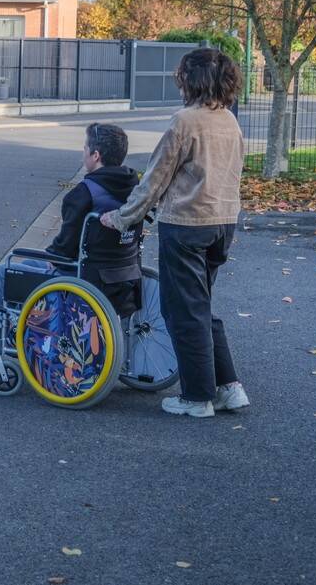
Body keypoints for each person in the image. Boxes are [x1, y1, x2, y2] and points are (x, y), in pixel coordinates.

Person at [101, 47, 247, 418]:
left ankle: (197, 398)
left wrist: (122, 217)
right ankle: (229, 387)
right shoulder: (229, 120)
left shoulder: (184, 121)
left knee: (182, 311)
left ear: (190, 80)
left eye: (180, 76)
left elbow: (155, 178)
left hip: (186, 225)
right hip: (223, 222)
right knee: (200, 305)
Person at [0, 123, 142, 366]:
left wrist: (53, 256)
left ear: (96, 155)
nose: (83, 152)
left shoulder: (84, 193)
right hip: (122, 277)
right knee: (30, 265)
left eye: (85, 148)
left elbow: (64, 249)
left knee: (5, 272)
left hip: (81, 278)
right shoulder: (136, 188)